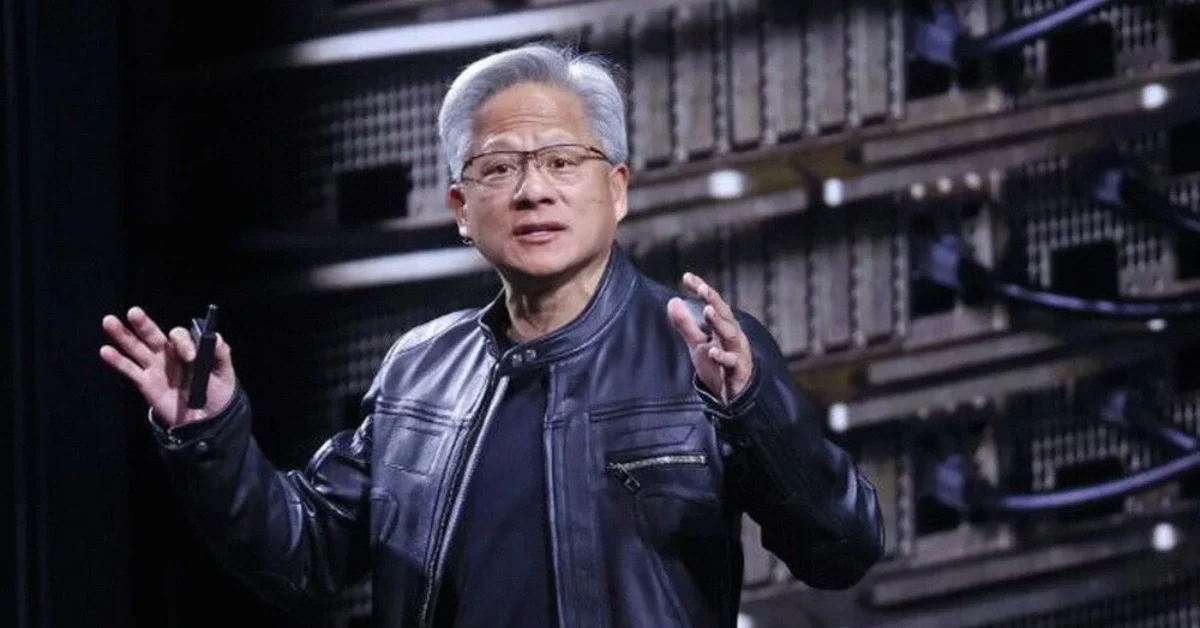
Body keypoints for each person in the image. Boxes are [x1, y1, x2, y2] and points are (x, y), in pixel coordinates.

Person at [99, 43, 884, 628]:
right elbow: (305, 555)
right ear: (460, 210)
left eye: (561, 161)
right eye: (499, 168)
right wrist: (209, 436)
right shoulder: (419, 371)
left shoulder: (706, 354)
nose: (533, 189)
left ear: (617, 192)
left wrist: (752, 410)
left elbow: (842, 550)